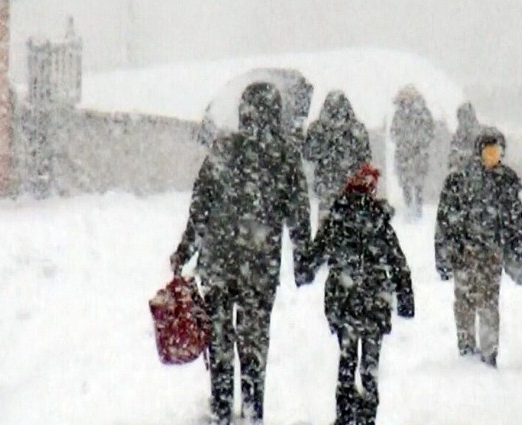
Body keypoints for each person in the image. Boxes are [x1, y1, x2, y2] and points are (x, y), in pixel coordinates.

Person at [170, 82, 313, 425]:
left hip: (218, 265)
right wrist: (303, 259)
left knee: (219, 341)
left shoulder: (223, 149)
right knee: (253, 344)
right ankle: (252, 412)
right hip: (260, 267)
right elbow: (298, 214)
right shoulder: (284, 158)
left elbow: (200, 207)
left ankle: (221, 410)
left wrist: (185, 250)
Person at [304, 163, 415, 425]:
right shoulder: (379, 220)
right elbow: (398, 262)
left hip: (343, 302)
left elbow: (314, 255)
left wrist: (304, 270)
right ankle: (367, 415)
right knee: (370, 366)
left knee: (347, 359)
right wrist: (405, 298)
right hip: (375, 302)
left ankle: (344, 415)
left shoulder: (337, 218)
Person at [434, 129, 522, 367]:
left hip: (491, 255)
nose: (491, 158)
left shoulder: (506, 183)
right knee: (464, 301)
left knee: (488, 303)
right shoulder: (459, 181)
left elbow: (515, 225)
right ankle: (466, 349)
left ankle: (489, 353)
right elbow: (445, 221)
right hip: (464, 252)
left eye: (496, 153)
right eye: (487, 153)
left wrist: (518, 257)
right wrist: (444, 254)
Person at [303, 90, 372, 219]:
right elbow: (366, 157)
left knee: (326, 228)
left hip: (328, 186)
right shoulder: (357, 130)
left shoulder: (318, 129)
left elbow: (308, 153)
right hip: (350, 188)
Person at [390, 85, 434, 217]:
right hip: (405, 153)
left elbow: (429, 131)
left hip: (417, 153)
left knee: (418, 182)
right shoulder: (399, 114)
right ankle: (408, 206)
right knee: (406, 182)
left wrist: (416, 142)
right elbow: (393, 132)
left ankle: (417, 207)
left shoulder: (422, 113)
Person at [447, 101, 483, 172]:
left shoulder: (480, 134)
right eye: (462, 117)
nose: (464, 120)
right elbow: (453, 155)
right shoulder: (457, 136)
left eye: (466, 116)